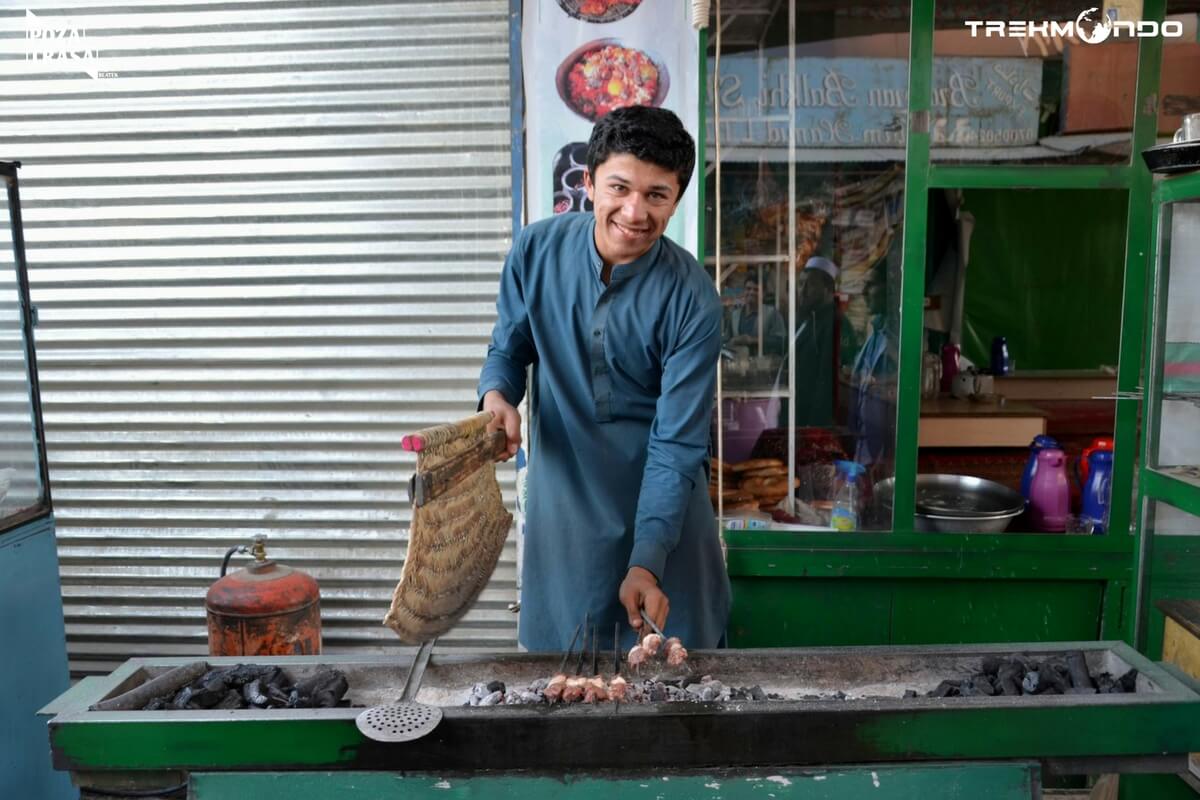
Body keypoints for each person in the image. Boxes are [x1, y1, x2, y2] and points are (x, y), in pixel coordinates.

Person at [477, 106, 731, 652]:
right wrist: (497, 395)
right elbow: (507, 347)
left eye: (657, 195)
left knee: (675, 696)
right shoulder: (534, 251)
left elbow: (677, 442)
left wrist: (647, 563)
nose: (635, 212)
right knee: (558, 689)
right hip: (565, 517)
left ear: (678, 197)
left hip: (667, 523)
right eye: (620, 187)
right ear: (589, 182)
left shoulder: (693, 298)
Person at [774, 256, 859, 429]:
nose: (802, 291)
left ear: (827, 288)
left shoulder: (835, 323)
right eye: (800, 284)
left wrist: (814, 427)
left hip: (813, 423)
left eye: (810, 285)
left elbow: (827, 381)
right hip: (796, 415)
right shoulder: (809, 318)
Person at [849, 262, 898, 470]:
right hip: (864, 441)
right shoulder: (875, 332)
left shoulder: (898, 336)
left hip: (883, 447)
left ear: (889, 289)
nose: (864, 292)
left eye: (871, 285)